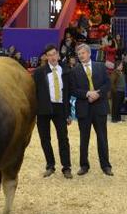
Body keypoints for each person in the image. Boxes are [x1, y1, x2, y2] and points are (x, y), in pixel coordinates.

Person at [70, 43, 112, 176]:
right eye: (79, 54)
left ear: (88, 53)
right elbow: (73, 90)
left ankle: (106, 166)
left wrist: (98, 94)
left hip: (100, 107)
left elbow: (108, 84)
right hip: (84, 108)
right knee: (84, 138)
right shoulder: (74, 70)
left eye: (82, 53)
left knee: (102, 138)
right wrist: (88, 94)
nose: (80, 56)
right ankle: (84, 165)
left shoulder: (100, 66)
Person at [34, 44, 72, 178]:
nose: (52, 57)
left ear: (58, 55)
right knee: (45, 139)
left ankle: (66, 167)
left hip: (60, 109)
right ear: (46, 57)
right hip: (43, 110)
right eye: (49, 55)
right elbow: (34, 93)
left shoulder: (66, 71)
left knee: (63, 138)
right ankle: (50, 165)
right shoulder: (39, 72)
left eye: (54, 54)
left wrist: (68, 113)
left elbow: (68, 94)